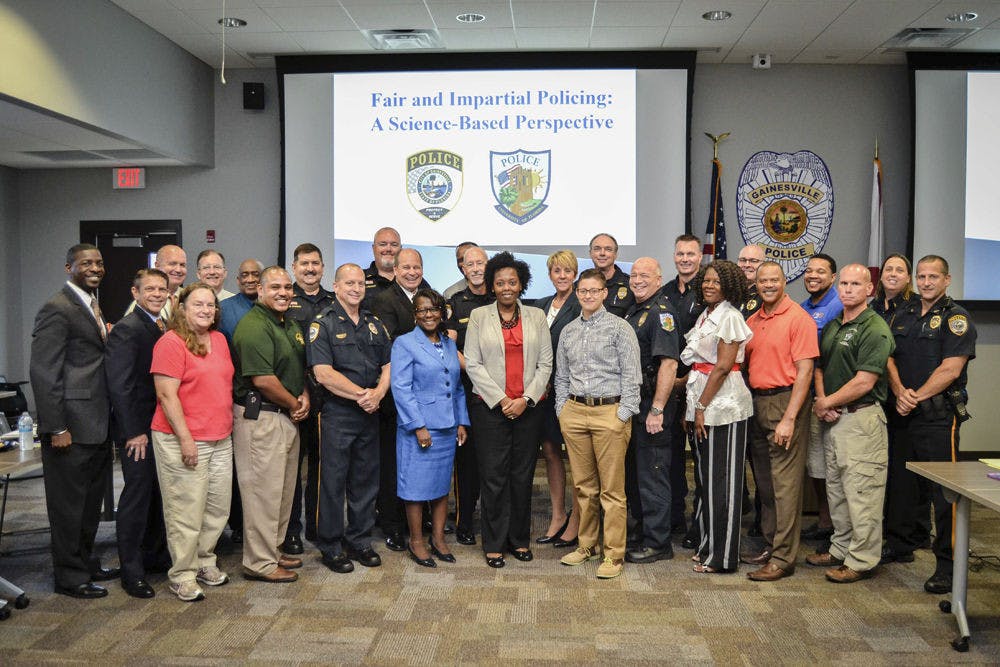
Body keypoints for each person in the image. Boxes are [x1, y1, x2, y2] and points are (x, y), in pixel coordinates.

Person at [30, 244, 117, 599]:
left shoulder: (91, 304)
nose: (94, 267)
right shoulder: (57, 308)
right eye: (86, 263)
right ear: (69, 267)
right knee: (68, 508)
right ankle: (69, 576)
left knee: (89, 504)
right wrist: (56, 427)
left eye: (98, 262)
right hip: (70, 428)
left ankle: (85, 562)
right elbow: (43, 371)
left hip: (96, 424)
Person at [886, 255, 976, 594]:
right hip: (903, 411)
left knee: (945, 494)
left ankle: (948, 565)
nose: (925, 282)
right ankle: (901, 545)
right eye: (921, 276)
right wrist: (899, 392)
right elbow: (888, 356)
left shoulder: (957, 319)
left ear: (947, 279)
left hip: (938, 417)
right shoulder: (903, 313)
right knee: (902, 484)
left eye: (933, 277)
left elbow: (950, 369)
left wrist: (915, 396)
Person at [806, 264, 893, 584]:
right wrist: (822, 402)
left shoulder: (875, 328)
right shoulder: (834, 325)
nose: (847, 289)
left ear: (870, 289)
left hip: (861, 419)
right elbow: (818, 367)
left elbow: (865, 381)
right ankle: (840, 548)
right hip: (833, 418)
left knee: (862, 492)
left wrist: (828, 402)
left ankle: (863, 559)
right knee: (837, 490)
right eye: (843, 283)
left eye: (856, 284)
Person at [464, 252, 552, 569]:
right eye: (500, 282)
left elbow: (546, 365)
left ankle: (519, 540)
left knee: (522, 476)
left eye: (512, 282)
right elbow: (472, 363)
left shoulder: (536, 317)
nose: (506, 287)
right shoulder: (478, 317)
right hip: (490, 410)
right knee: (494, 477)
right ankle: (494, 543)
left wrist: (525, 400)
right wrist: (502, 400)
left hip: (529, 409)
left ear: (521, 284)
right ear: (492, 285)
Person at [151, 282, 235, 601]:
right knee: (186, 509)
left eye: (210, 305)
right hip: (182, 438)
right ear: (182, 309)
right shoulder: (170, 343)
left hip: (220, 436)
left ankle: (204, 562)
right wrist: (185, 438)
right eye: (197, 304)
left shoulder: (219, 340)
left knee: (216, 507)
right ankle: (182, 574)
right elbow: (165, 395)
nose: (205, 310)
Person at [556, 269, 641, 579]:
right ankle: (586, 545)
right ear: (577, 293)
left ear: (605, 293)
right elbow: (562, 376)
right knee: (584, 487)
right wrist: (562, 410)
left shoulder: (620, 329)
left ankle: (614, 554)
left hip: (610, 414)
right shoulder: (568, 331)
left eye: (594, 290)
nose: (588, 295)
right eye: (583, 291)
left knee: (612, 491)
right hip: (575, 413)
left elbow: (633, 376)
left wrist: (623, 414)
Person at [309, 263, 392, 574]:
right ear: (337, 286)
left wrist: (379, 393)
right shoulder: (324, 323)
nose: (356, 288)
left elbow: (389, 363)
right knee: (332, 481)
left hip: (370, 411)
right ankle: (330, 545)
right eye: (349, 283)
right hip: (339, 413)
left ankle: (359, 539)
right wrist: (362, 395)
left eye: (360, 283)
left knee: (365, 479)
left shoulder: (373, 323)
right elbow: (323, 374)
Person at [231, 267, 310, 583]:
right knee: (262, 494)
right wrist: (295, 403)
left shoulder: (286, 323)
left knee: (281, 493)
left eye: (288, 287)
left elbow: (297, 367)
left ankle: (272, 552)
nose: (283, 292)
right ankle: (259, 562)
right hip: (261, 418)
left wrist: (303, 395)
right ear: (260, 290)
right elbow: (262, 379)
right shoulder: (253, 326)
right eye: (275, 287)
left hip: (285, 416)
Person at [742, 262, 818, 581]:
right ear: (756, 285)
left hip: (786, 402)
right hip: (757, 402)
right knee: (765, 483)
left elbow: (806, 372)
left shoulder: (798, 318)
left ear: (785, 282)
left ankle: (784, 558)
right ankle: (771, 545)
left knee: (785, 484)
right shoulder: (753, 319)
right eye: (763, 281)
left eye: (774, 280)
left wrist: (789, 418)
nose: (768, 285)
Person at [681, 260, 752, 574]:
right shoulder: (705, 314)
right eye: (706, 281)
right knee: (705, 479)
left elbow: (723, 366)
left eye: (716, 281)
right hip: (701, 399)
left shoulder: (731, 317)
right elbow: (699, 363)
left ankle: (723, 557)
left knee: (722, 482)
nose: (709, 285)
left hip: (724, 407)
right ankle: (707, 545)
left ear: (730, 285)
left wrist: (701, 407)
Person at [105, 268, 172, 598]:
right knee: (137, 496)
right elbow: (121, 385)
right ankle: (131, 571)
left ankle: (154, 557)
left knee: (158, 494)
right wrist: (133, 432)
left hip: (159, 426)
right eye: (150, 289)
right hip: (139, 431)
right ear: (135, 293)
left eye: (162, 289)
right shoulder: (127, 329)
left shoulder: (161, 324)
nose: (157, 294)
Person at [391, 289, 470, 567]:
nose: (429, 315)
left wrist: (461, 421)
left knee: (440, 486)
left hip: (448, 426)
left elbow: (458, 386)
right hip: (420, 429)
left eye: (434, 309)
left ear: (442, 312)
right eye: (423, 310)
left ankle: (438, 538)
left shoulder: (448, 343)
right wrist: (418, 426)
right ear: (415, 314)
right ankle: (416, 541)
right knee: (415, 487)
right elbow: (400, 388)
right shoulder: (404, 343)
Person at [370, 247, 430, 551]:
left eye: (416, 267)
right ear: (395, 270)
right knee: (394, 464)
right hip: (397, 395)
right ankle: (393, 524)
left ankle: (419, 519)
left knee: (422, 460)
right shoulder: (382, 300)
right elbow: (393, 345)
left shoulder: (428, 293)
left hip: (427, 394)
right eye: (405, 267)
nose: (411, 272)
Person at [623, 257, 680, 564]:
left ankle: (658, 543)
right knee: (637, 473)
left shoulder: (662, 313)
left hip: (652, 406)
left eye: (645, 275)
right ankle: (643, 531)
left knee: (653, 473)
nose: (638, 280)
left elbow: (669, 363)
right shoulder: (637, 310)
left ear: (659, 280)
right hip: (636, 404)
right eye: (634, 275)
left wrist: (657, 409)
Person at [283, 244, 335, 554]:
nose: (310, 269)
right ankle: (291, 531)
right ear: (294, 266)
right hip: (294, 397)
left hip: (327, 398)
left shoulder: (332, 301)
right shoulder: (285, 301)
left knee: (321, 466)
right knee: (291, 468)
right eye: (304, 264)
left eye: (315, 263)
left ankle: (317, 525)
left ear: (323, 267)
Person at [532, 250, 582, 547]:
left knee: (577, 457)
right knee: (550, 452)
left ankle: (578, 519)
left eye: (567, 271)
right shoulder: (540, 306)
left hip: (571, 392)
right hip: (543, 394)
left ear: (575, 273)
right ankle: (557, 515)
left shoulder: (582, 303)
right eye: (556, 271)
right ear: (549, 274)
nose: (562, 276)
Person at [445, 245, 493, 545]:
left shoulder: (500, 295)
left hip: (500, 392)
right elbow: (450, 345)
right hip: (467, 390)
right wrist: (480, 373)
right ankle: (464, 522)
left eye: (480, 263)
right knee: (466, 461)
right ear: (463, 268)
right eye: (470, 264)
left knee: (494, 460)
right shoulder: (455, 302)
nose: (475, 268)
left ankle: (493, 519)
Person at [662, 234, 705, 548]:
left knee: (701, 459)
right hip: (667, 387)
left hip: (696, 385)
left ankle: (699, 524)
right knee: (671, 457)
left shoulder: (707, 292)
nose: (685, 259)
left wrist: (685, 378)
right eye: (680, 253)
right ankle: (675, 516)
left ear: (700, 257)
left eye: (691, 254)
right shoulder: (664, 292)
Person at [216, 257, 263, 545]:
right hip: (238, 398)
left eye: (254, 274)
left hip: (270, 401)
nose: (248, 278)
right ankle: (239, 527)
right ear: (237, 279)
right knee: (238, 472)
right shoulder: (226, 310)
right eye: (243, 274)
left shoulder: (274, 304)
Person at [799, 254, 843, 549]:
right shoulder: (804, 308)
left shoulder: (838, 306)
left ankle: (839, 531)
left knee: (835, 468)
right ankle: (826, 523)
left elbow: (823, 359)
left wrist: (826, 398)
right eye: (809, 270)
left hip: (833, 399)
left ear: (833, 277)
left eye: (820, 271)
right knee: (817, 465)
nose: (813, 275)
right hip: (812, 398)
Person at [127, 244, 187, 319]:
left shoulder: (189, 297)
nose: (178, 270)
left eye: (182, 265)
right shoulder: (143, 301)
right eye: (172, 264)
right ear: (157, 266)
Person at [588, 233, 634, 317]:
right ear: (590, 253)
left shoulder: (631, 285)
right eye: (597, 249)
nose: (602, 253)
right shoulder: (580, 285)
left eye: (608, 249)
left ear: (615, 254)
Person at [219, 259, 263, 343]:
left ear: (263, 279)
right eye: (244, 275)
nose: (250, 280)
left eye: (255, 275)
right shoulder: (223, 309)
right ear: (238, 281)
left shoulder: (272, 307)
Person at [363, 226, 401, 308]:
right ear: (373, 248)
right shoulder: (359, 278)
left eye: (394, 245)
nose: (388, 249)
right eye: (383, 244)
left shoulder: (412, 279)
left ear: (401, 249)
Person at [872, 253, 917, 320]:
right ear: (881, 276)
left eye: (900, 270)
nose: (893, 274)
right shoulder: (872, 306)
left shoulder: (918, 305)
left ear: (908, 278)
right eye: (888, 269)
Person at [737, 244, 766, 319]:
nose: (747, 265)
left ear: (763, 265)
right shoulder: (728, 292)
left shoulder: (766, 295)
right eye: (742, 260)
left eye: (753, 261)